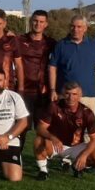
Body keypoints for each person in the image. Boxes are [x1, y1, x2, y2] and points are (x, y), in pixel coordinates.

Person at [34, 81, 95, 180]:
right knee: (38, 141)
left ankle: (77, 166)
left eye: (74, 94)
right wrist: (53, 138)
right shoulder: (54, 106)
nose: (71, 97)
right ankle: (43, 171)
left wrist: (84, 155)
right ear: (63, 94)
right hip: (55, 144)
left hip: (76, 146)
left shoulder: (87, 113)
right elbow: (40, 128)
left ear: (80, 95)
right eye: (67, 93)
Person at [16, 10, 56, 160]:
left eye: (41, 22)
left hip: (43, 93)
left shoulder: (51, 43)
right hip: (23, 92)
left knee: (44, 129)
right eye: (35, 21)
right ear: (30, 21)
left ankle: (43, 163)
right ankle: (16, 158)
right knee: (21, 128)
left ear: (46, 24)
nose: (38, 24)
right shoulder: (19, 40)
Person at [48, 15, 95, 114]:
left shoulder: (94, 45)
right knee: (64, 123)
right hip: (66, 95)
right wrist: (52, 90)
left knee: (88, 124)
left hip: (88, 95)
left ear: (85, 28)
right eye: (73, 26)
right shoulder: (61, 45)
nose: (75, 29)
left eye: (79, 27)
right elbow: (52, 67)